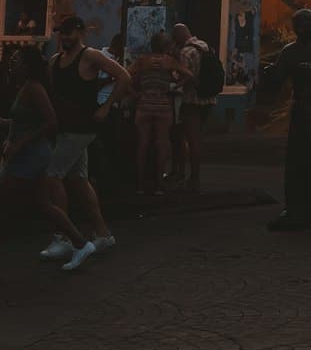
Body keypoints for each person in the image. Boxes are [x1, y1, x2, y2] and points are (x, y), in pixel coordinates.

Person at [1, 46, 94, 272]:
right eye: (11, 59)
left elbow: (51, 122)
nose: (12, 63)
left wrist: (20, 143)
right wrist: (8, 133)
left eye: (17, 60)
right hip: (27, 154)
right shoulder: (23, 88)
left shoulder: (34, 88)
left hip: (32, 156)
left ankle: (80, 242)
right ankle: (81, 243)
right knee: (44, 204)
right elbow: (21, 121)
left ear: (28, 65)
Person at [43, 15, 128, 263]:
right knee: (78, 180)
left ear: (80, 33)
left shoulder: (90, 56)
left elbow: (124, 77)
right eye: (62, 33)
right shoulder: (54, 62)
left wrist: (107, 106)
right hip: (64, 127)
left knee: (52, 175)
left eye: (69, 33)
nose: (65, 37)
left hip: (81, 128)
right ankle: (102, 233)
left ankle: (64, 237)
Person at [260, 8, 311, 231]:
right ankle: (295, 208)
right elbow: (277, 80)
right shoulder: (289, 51)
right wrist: (268, 74)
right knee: (296, 160)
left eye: (306, 23)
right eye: (298, 23)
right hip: (301, 109)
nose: (302, 27)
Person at [128, 33, 193, 197]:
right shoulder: (168, 61)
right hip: (163, 105)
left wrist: (135, 94)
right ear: (165, 46)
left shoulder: (143, 61)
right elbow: (189, 74)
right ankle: (158, 185)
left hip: (144, 105)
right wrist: (174, 86)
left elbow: (126, 75)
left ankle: (140, 185)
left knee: (142, 145)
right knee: (161, 144)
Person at [173, 22, 217, 190]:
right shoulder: (205, 46)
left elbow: (184, 77)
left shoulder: (185, 52)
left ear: (178, 37)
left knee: (191, 139)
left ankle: (193, 178)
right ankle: (190, 176)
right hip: (208, 99)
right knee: (196, 137)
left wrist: (175, 85)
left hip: (192, 100)